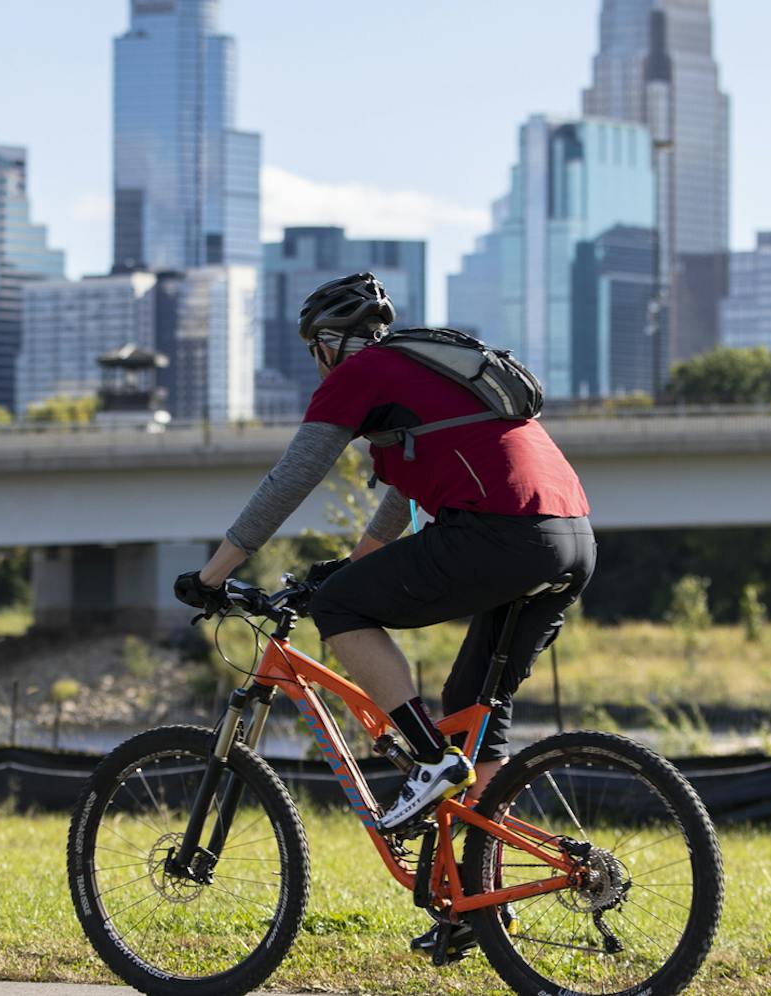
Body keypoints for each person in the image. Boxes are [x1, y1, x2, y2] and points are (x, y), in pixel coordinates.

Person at [173, 271, 596, 957]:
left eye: (316, 350)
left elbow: (293, 476)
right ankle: (475, 900)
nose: (318, 364)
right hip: (570, 538)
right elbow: (396, 510)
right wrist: (350, 567)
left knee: (345, 612)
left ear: (330, 343)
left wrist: (213, 574)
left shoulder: (360, 371)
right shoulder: (419, 385)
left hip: (500, 533)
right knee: (472, 707)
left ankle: (427, 761)